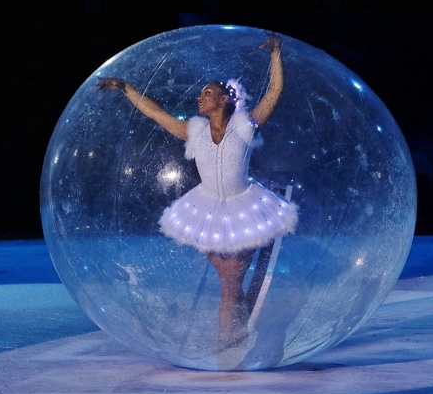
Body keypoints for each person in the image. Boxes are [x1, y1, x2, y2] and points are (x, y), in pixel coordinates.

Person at [97, 35, 298, 352]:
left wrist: (276, 53)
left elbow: (274, 93)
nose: (199, 99)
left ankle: (226, 345)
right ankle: (239, 330)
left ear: (224, 100)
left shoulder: (245, 124)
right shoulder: (194, 130)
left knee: (230, 282)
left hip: (244, 211)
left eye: (208, 93)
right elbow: (155, 112)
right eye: (200, 94)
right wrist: (126, 88)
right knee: (229, 280)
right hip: (205, 212)